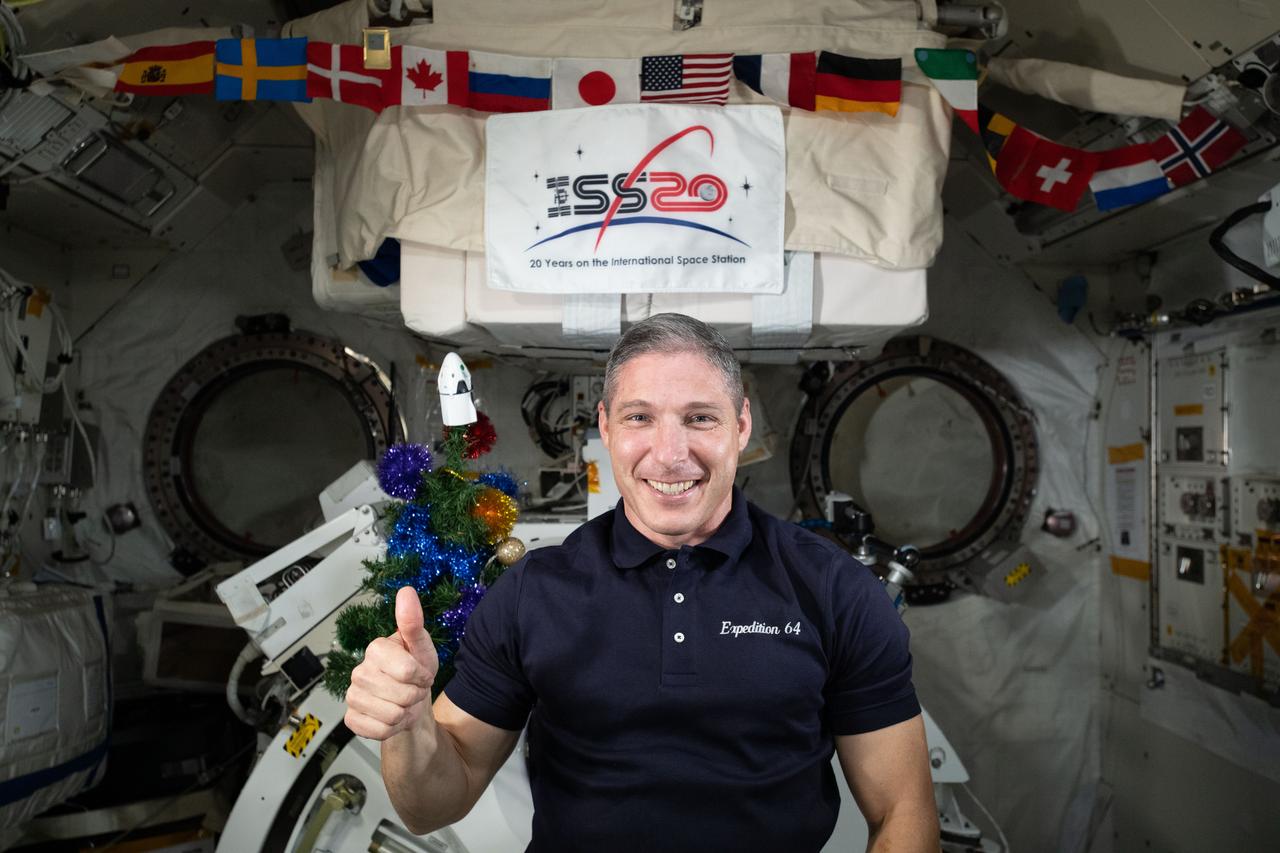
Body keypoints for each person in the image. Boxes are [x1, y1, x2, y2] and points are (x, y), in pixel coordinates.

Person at [344, 313, 940, 852]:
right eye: (640, 418)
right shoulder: (535, 592)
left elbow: (902, 812)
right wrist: (409, 727)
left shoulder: (832, 589)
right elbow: (432, 806)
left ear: (740, 426)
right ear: (606, 427)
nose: (670, 453)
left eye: (699, 418)